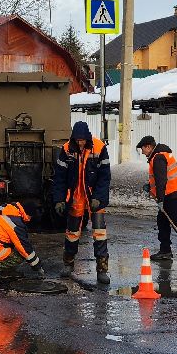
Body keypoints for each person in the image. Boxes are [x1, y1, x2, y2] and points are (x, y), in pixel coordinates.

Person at [51, 121, 111, 282]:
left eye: (82, 140)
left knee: (99, 233)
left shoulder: (99, 148)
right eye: (77, 140)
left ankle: (102, 270)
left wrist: (98, 198)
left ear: (87, 138)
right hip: (76, 197)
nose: (80, 143)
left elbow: (105, 178)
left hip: (94, 197)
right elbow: (59, 178)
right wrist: (59, 200)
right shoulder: (66, 150)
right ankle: (68, 264)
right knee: (72, 233)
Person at [0, 200, 45, 282]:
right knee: (19, 256)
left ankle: (7, 272)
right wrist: (38, 267)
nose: (30, 220)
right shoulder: (15, 223)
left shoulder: (10, 211)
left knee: (14, 249)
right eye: (31, 217)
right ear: (28, 214)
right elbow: (24, 248)